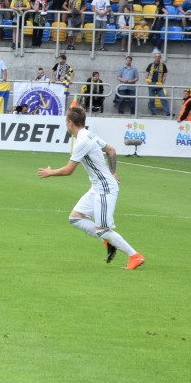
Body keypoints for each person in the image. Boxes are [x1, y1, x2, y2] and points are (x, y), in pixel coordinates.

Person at [37, 106, 145, 270]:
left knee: (103, 229)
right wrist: (112, 172)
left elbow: (69, 171)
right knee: (74, 218)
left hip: (104, 189)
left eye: (66, 122)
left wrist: (50, 172)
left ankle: (134, 256)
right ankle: (107, 240)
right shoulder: (89, 134)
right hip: (97, 187)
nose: (66, 125)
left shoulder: (82, 142)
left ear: (70, 122)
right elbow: (111, 150)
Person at [145, 52, 170, 117]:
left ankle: (167, 113)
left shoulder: (163, 65)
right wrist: (148, 81)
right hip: (151, 84)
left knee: (163, 99)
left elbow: (164, 75)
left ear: (160, 58)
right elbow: (147, 73)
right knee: (151, 100)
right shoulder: (150, 65)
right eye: (156, 56)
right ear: (154, 57)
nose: (157, 57)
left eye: (158, 56)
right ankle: (153, 113)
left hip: (159, 84)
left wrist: (162, 82)